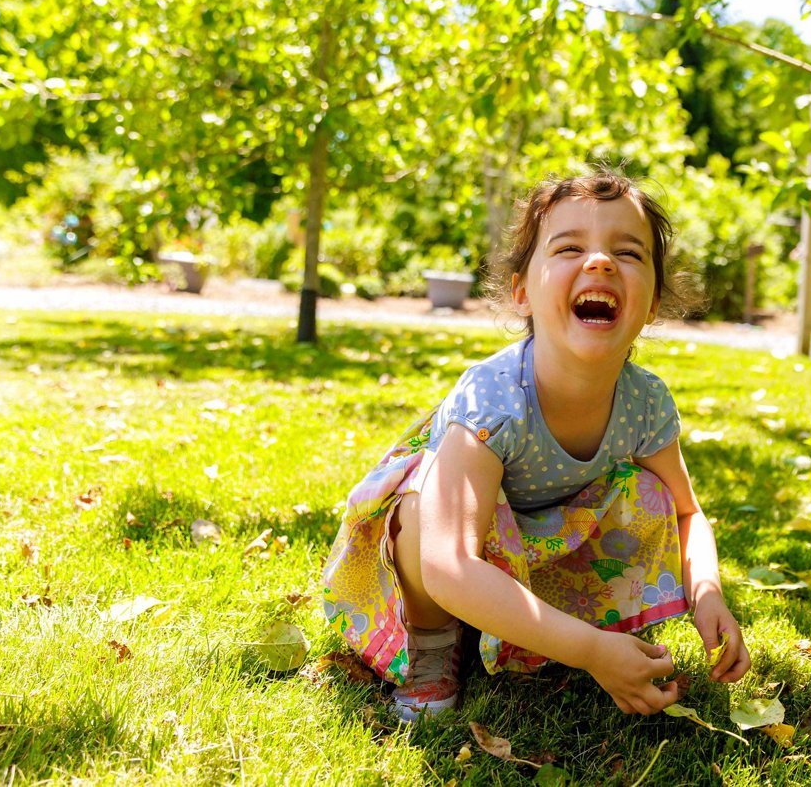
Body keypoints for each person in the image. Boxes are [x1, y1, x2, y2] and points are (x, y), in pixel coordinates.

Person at [321, 169, 750, 721]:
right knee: (423, 511)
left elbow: (688, 514)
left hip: (528, 548)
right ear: (522, 291)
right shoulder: (494, 400)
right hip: (431, 557)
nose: (600, 262)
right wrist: (592, 652)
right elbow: (449, 563)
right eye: (570, 247)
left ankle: (534, 627)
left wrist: (708, 592)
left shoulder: (644, 403)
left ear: (651, 304)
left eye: (628, 252)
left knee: (652, 494)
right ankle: (432, 641)